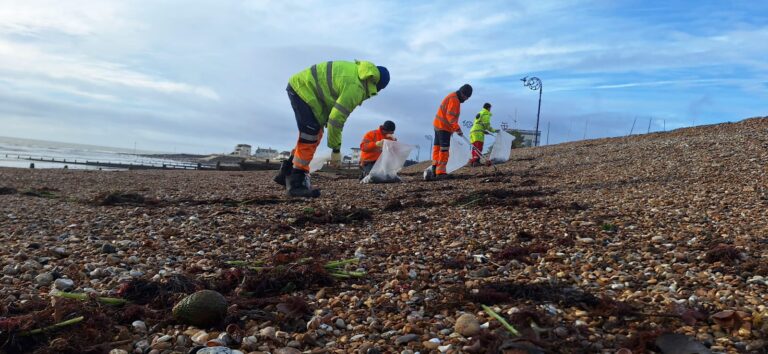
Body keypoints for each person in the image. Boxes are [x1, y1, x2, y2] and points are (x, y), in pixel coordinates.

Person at [273, 60, 390, 197]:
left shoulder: (359, 72)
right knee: (310, 134)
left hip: (308, 91)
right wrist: (336, 150)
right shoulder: (356, 87)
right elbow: (336, 120)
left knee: (314, 133)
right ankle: (296, 183)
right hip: (303, 89)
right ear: (376, 85)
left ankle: (286, 172)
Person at [424, 84, 473, 180]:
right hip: (443, 127)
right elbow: (450, 117)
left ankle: (434, 170)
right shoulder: (454, 100)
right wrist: (457, 129)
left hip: (438, 125)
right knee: (444, 149)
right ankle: (440, 172)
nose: (466, 99)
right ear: (463, 94)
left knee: (437, 148)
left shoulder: (453, 96)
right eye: (466, 97)